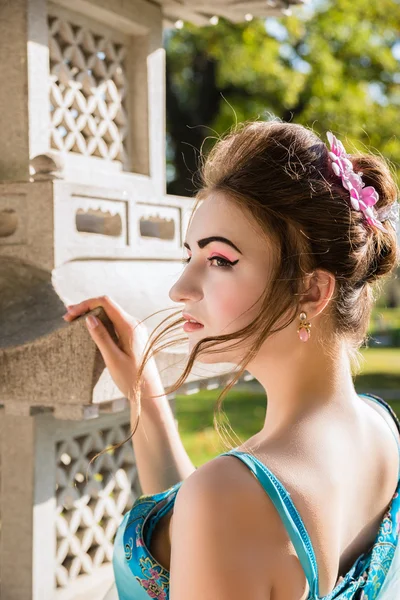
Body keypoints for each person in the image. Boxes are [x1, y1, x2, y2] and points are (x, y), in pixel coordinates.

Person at [63, 120, 400, 599]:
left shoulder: (233, 496)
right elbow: (222, 544)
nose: (180, 290)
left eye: (219, 260)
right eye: (189, 256)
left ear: (311, 289)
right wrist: (146, 394)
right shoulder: (381, 428)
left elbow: (228, 521)